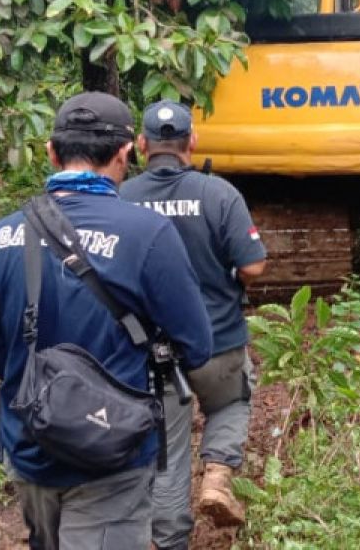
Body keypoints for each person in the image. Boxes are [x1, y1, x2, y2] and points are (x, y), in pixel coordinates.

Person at [0, 92, 213, 550]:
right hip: (112, 455)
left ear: (50, 152)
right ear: (126, 154)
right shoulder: (148, 234)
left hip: (30, 447)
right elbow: (197, 346)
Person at [119, 100, 267, 549]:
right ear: (192, 142)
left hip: (154, 354)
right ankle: (219, 473)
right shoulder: (218, 193)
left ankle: (170, 542)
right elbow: (254, 267)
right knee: (233, 400)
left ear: (141, 146)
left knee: (168, 454)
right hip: (218, 343)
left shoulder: (122, 199)